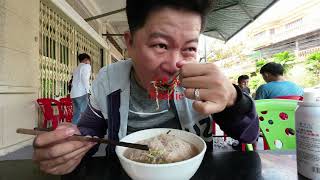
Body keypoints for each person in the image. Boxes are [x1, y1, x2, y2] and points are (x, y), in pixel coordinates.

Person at [32, 0, 259, 175]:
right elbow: (91, 129)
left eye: (189, 48)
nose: (173, 65)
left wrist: (233, 99)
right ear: (129, 43)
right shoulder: (109, 79)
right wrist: (72, 144)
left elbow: (248, 135)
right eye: (161, 45)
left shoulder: (203, 81)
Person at [70, 53, 91, 124]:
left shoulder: (76, 68)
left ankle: (73, 129)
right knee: (83, 113)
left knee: (77, 113)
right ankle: (81, 131)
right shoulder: (86, 66)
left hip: (74, 94)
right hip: (81, 93)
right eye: (89, 61)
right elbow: (85, 79)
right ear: (86, 60)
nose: (89, 63)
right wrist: (88, 91)